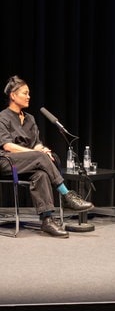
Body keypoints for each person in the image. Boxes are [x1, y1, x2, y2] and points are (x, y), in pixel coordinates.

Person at [0, 75, 94, 238]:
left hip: (29, 163)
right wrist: (37, 153)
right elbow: (7, 146)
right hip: (7, 162)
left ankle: (47, 220)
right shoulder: (3, 117)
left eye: (29, 93)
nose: (29, 96)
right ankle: (66, 195)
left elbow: (36, 143)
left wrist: (43, 150)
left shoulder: (30, 119)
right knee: (40, 157)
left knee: (42, 173)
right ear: (13, 96)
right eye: (25, 93)